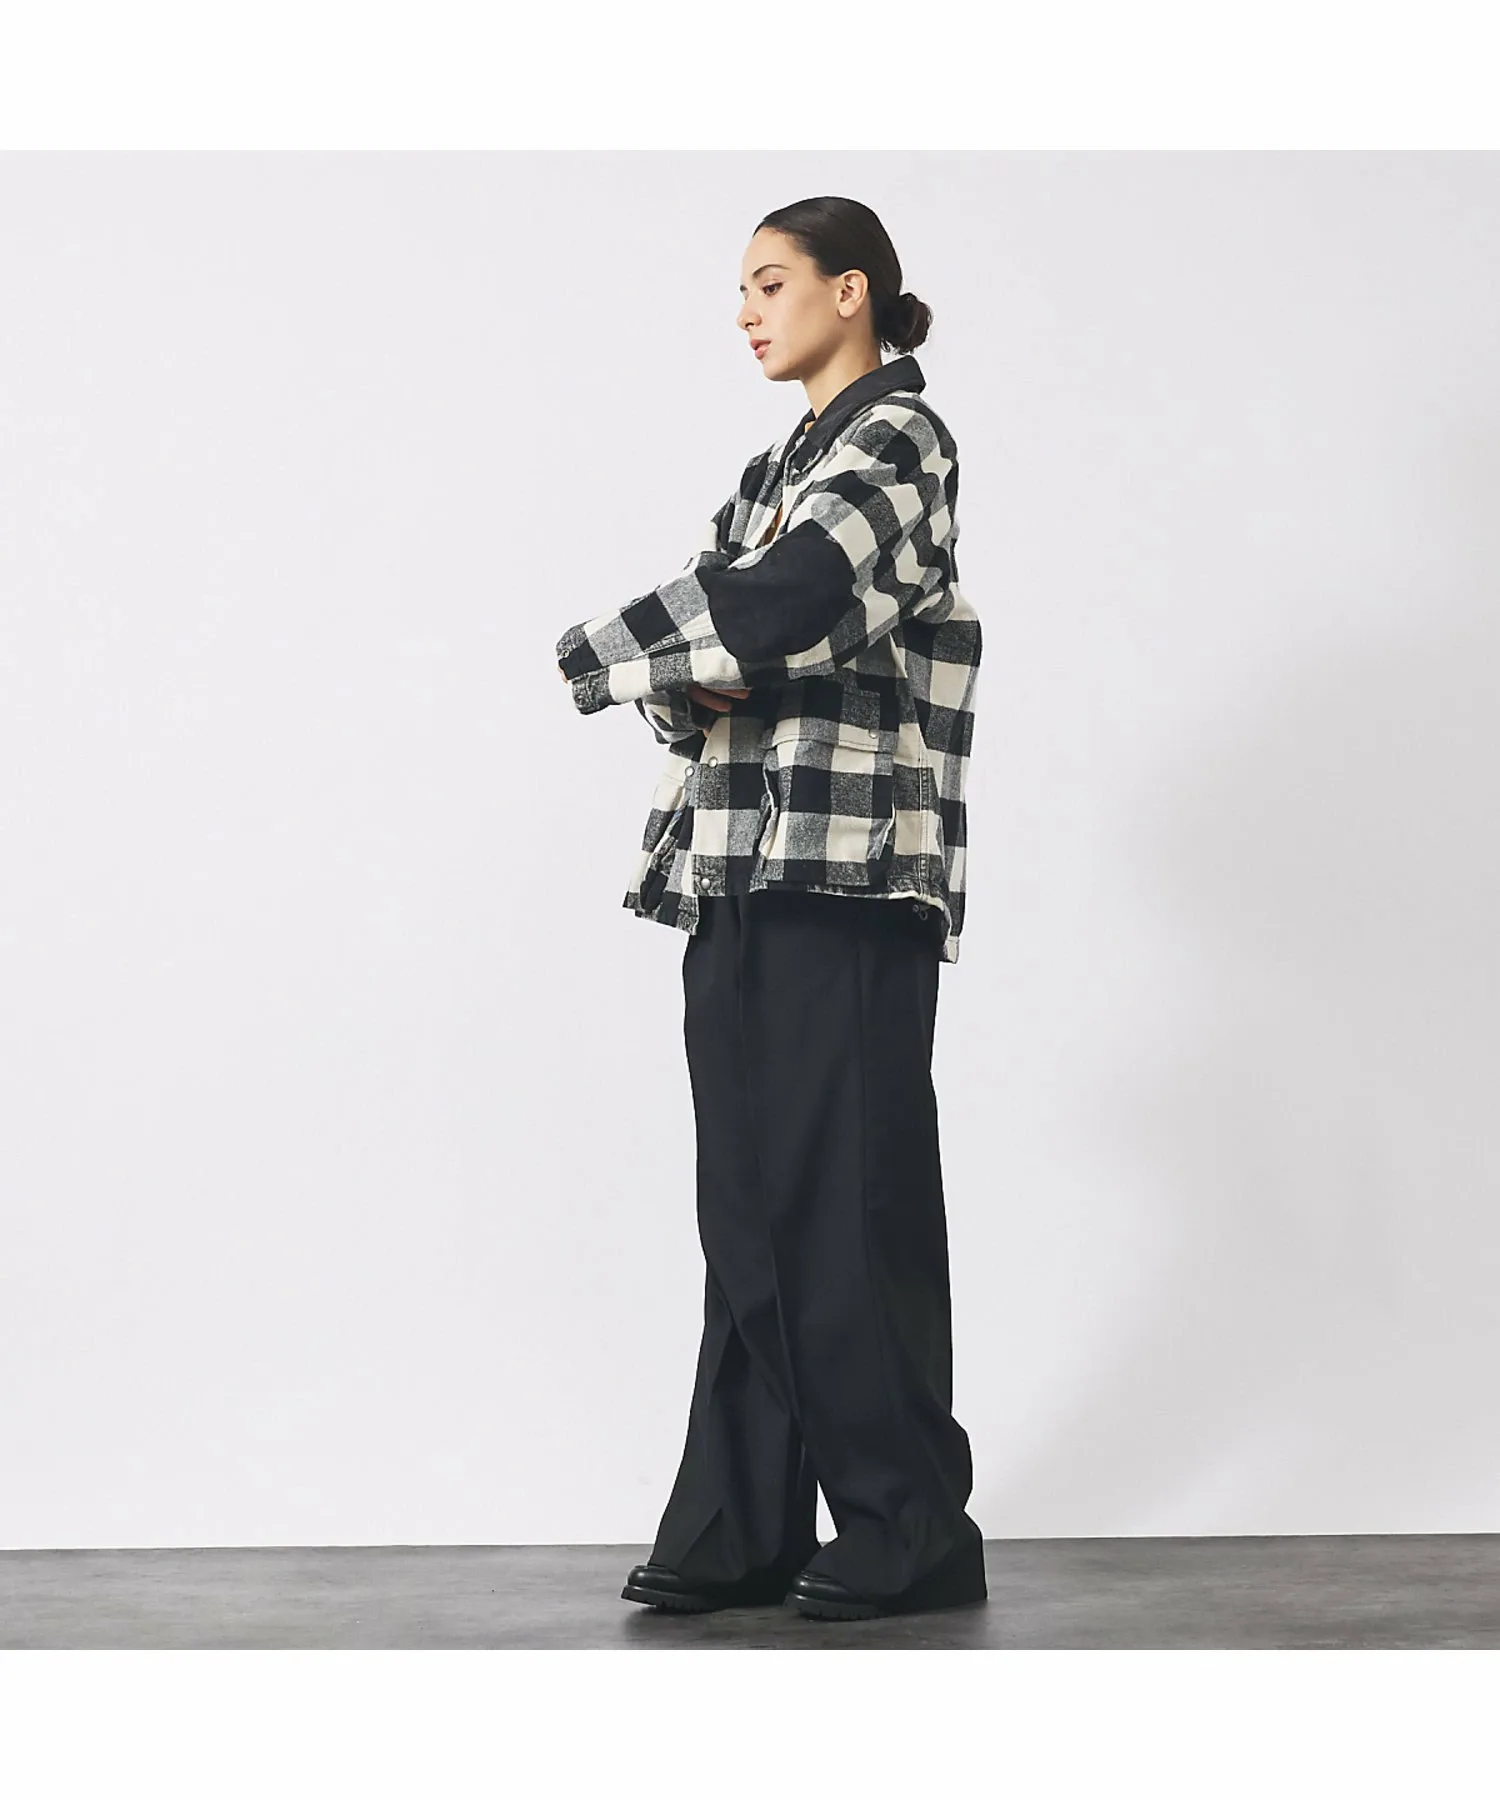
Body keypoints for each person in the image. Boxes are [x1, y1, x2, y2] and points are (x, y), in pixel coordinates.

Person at [556, 196, 985, 1622]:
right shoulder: (768, 472)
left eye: (770, 282)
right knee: (744, 1203)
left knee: (844, 1195)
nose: (746, 311)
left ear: (850, 291)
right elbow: (698, 672)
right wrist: (698, 656)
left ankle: (910, 1523)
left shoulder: (902, 441)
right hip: (733, 860)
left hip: (850, 873)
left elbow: (788, 601)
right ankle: (741, 1519)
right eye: (740, 289)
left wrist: (646, 647)